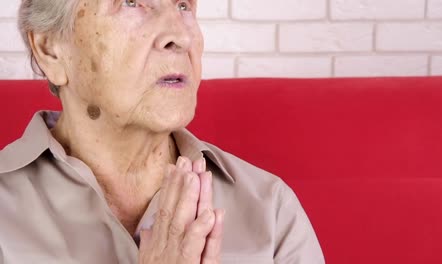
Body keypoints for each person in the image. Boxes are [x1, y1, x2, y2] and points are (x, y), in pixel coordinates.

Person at [0, 0, 325, 263]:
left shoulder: (270, 208)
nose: (180, 37)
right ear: (50, 49)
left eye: (184, 5)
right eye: (131, 3)